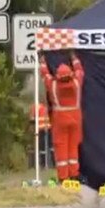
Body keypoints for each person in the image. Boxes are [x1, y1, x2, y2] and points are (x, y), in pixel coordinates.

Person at [39, 51, 85, 183]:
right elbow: (80, 70)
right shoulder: (76, 83)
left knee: (61, 148)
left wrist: (42, 62)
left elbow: (45, 75)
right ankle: (74, 174)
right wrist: (74, 57)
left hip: (60, 120)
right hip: (75, 119)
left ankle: (64, 177)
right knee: (73, 148)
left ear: (58, 76)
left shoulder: (53, 85)